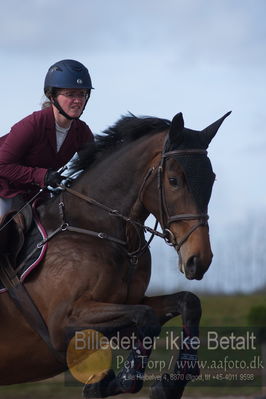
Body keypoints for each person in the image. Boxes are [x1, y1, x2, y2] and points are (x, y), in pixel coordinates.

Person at [0, 59, 94, 222]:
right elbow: (2, 165)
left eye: (82, 94)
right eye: (70, 94)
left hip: (34, 195)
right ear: (52, 97)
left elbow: (96, 166)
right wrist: (42, 176)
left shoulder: (82, 132)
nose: (78, 100)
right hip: (4, 189)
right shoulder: (32, 125)